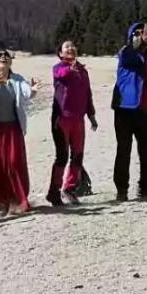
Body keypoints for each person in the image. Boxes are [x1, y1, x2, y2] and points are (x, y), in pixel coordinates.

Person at [0, 51, 42, 218]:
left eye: (6, 56)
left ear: (10, 61)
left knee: (13, 165)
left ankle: (16, 201)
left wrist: (33, 90)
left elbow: (27, 94)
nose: (3, 58)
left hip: (13, 129)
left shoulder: (17, 78)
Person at [111, 22, 147, 201]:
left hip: (144, 111)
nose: (140, 35)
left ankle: (146, 187)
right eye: (136, 33)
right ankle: (122, 190)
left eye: (143, 33)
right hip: (124, 110)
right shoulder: (126, 54)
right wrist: (140, 42)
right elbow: (132, 50)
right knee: (123, 151)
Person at [47, 41, 98, 206]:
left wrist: (91, 115)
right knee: (61, 156)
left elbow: (87, 94)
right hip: (61, 119)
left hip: (78, 119)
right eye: (66, 47)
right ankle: (54, 191)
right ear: (60, 54)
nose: (70, 48)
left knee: (78, 155)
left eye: (72, 46)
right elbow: (61, 75)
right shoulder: (58, 68)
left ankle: (69, 188)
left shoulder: (83, 71)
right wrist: (71, 67)